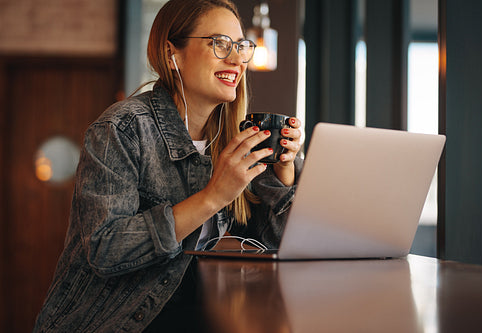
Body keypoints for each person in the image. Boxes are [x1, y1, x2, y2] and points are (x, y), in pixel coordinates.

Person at [33, 0, 302, 331]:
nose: (236, 59)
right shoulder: (122, 128)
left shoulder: (234, 138)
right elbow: (105, 249)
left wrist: (283, 176)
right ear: (172, 54)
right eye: (220, 44)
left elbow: (276, 248)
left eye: (241, 46)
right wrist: (213, 196)